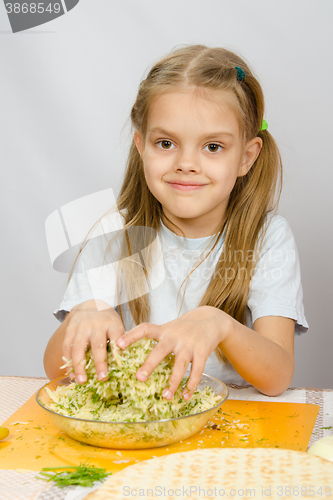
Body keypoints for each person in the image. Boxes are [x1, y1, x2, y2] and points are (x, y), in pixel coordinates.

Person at [44, 44, 308, 398]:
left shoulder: (267, 238)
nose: (186, 163)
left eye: (212, 147)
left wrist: (221, 325)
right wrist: (85, 313)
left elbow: (277, 377)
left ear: (247, 157)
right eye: (166, 143)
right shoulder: (114, 235)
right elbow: (52, 369)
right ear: (141, 147)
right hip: (137, 427)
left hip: (229, 426)